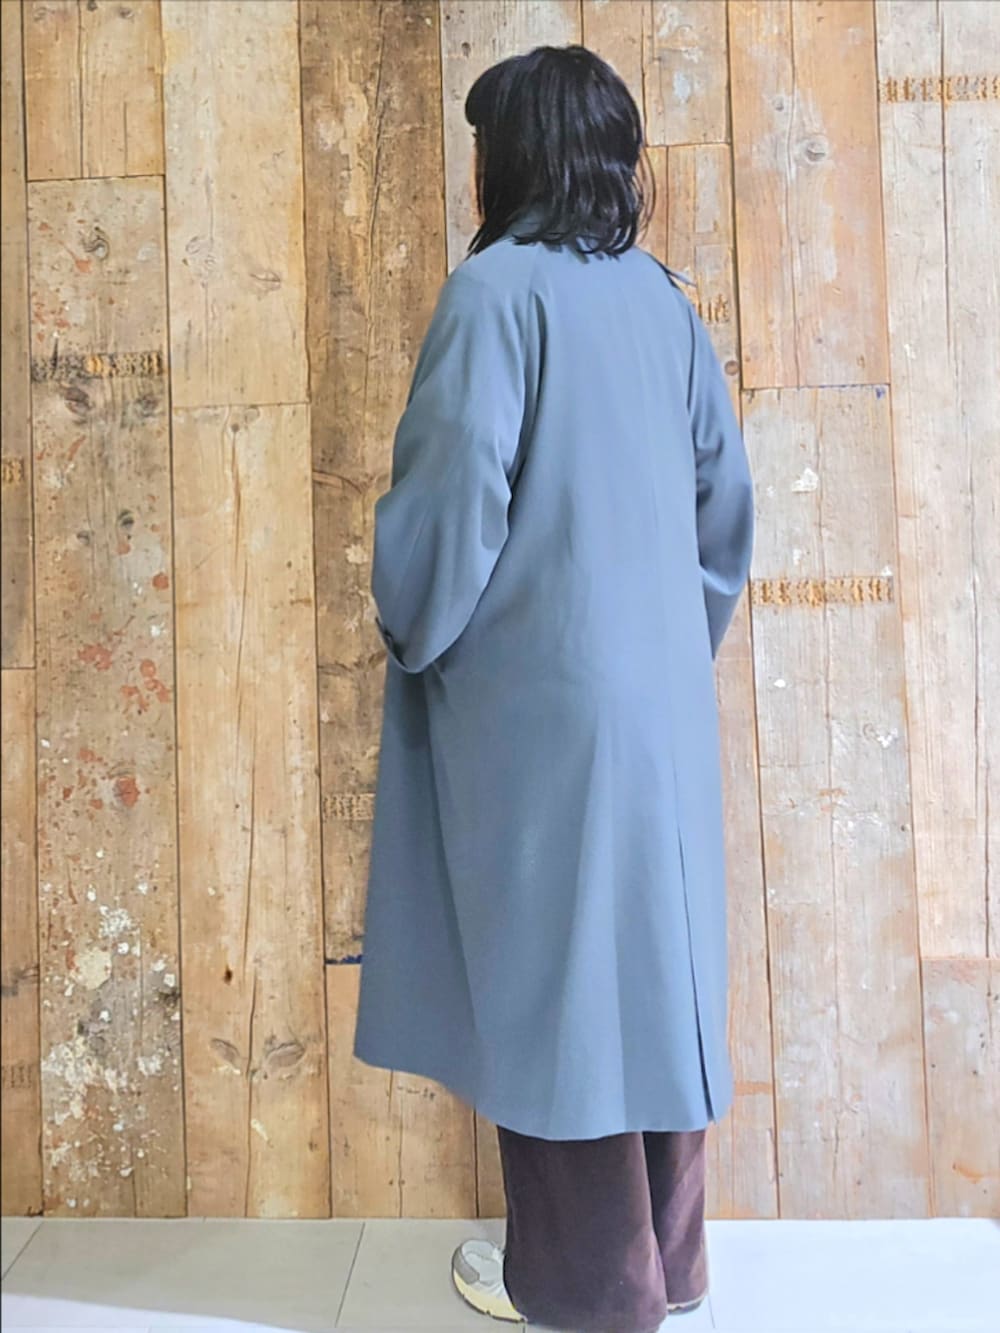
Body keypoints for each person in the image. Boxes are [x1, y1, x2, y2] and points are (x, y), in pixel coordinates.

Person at [353, 43, 755, 1333]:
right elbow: (725, 515)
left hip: (542, 710)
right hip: (658, 714)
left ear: (512, 157)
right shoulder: (663, 302)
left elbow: (450, 503)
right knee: (655, 979)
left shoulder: (493, 295)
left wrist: (415, 624)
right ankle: (666, 1267)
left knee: (563, 994)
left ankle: (587, 1294)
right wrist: (658, 650)